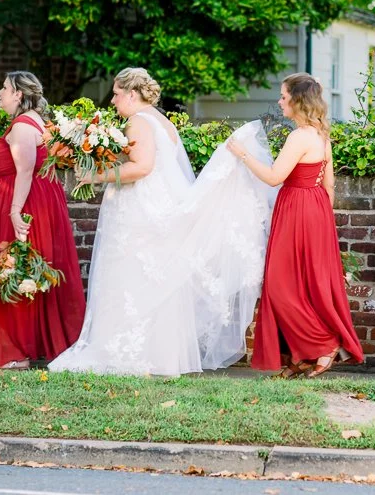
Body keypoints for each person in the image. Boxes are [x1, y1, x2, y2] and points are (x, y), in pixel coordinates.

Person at [49, 68, 275, 376]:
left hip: (138, 211)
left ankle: (121, 354)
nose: (113, 100)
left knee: (128, 275)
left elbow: (141, 167)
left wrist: (95, 175)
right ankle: (160, 357)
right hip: (156, 205)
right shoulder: (161, 121)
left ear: (132, 94)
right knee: (153, 281)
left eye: (116, 94)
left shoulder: (137, 122)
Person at [228, 73, 364, 378]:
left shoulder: (300, 136)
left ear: (297, 100)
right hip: (315, 210)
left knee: (280, 286)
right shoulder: (320, 134)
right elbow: (329, 185)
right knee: (302, 286)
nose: (279, 102)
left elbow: (275, 177)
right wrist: (321, 224)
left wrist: (242, 154)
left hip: (297, 209)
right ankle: (298, 358)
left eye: (283, 96)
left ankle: (324, 344)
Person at [0, 71, 85, 369]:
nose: (0, 92)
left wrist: (14, 212)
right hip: (39, 200)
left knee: (14, 268)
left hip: (22, 201)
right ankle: (25, 346)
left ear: (18, 95)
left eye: (5, 88)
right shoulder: (40, 122)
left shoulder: (24, 126)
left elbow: (24, 171)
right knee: (26, 270)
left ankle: (14, 351)